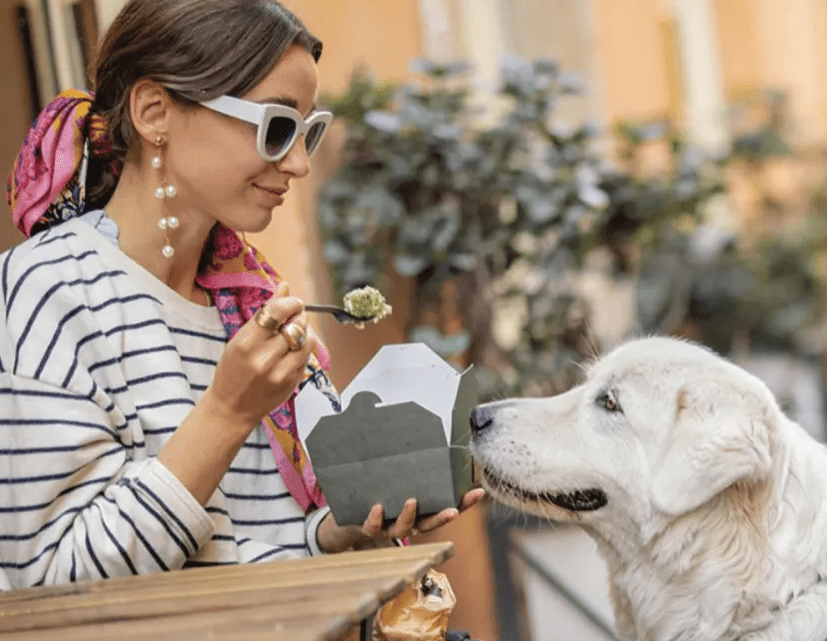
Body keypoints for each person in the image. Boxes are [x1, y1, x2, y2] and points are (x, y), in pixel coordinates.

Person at [0, 0, 482, 590]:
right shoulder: (49, 290)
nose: (300, 163)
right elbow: (49, 582)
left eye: (308, 131)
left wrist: (342, 533)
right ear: (155, 111)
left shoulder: (247, 299)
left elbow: (250, 548)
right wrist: (226, 413)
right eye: (277, 128)